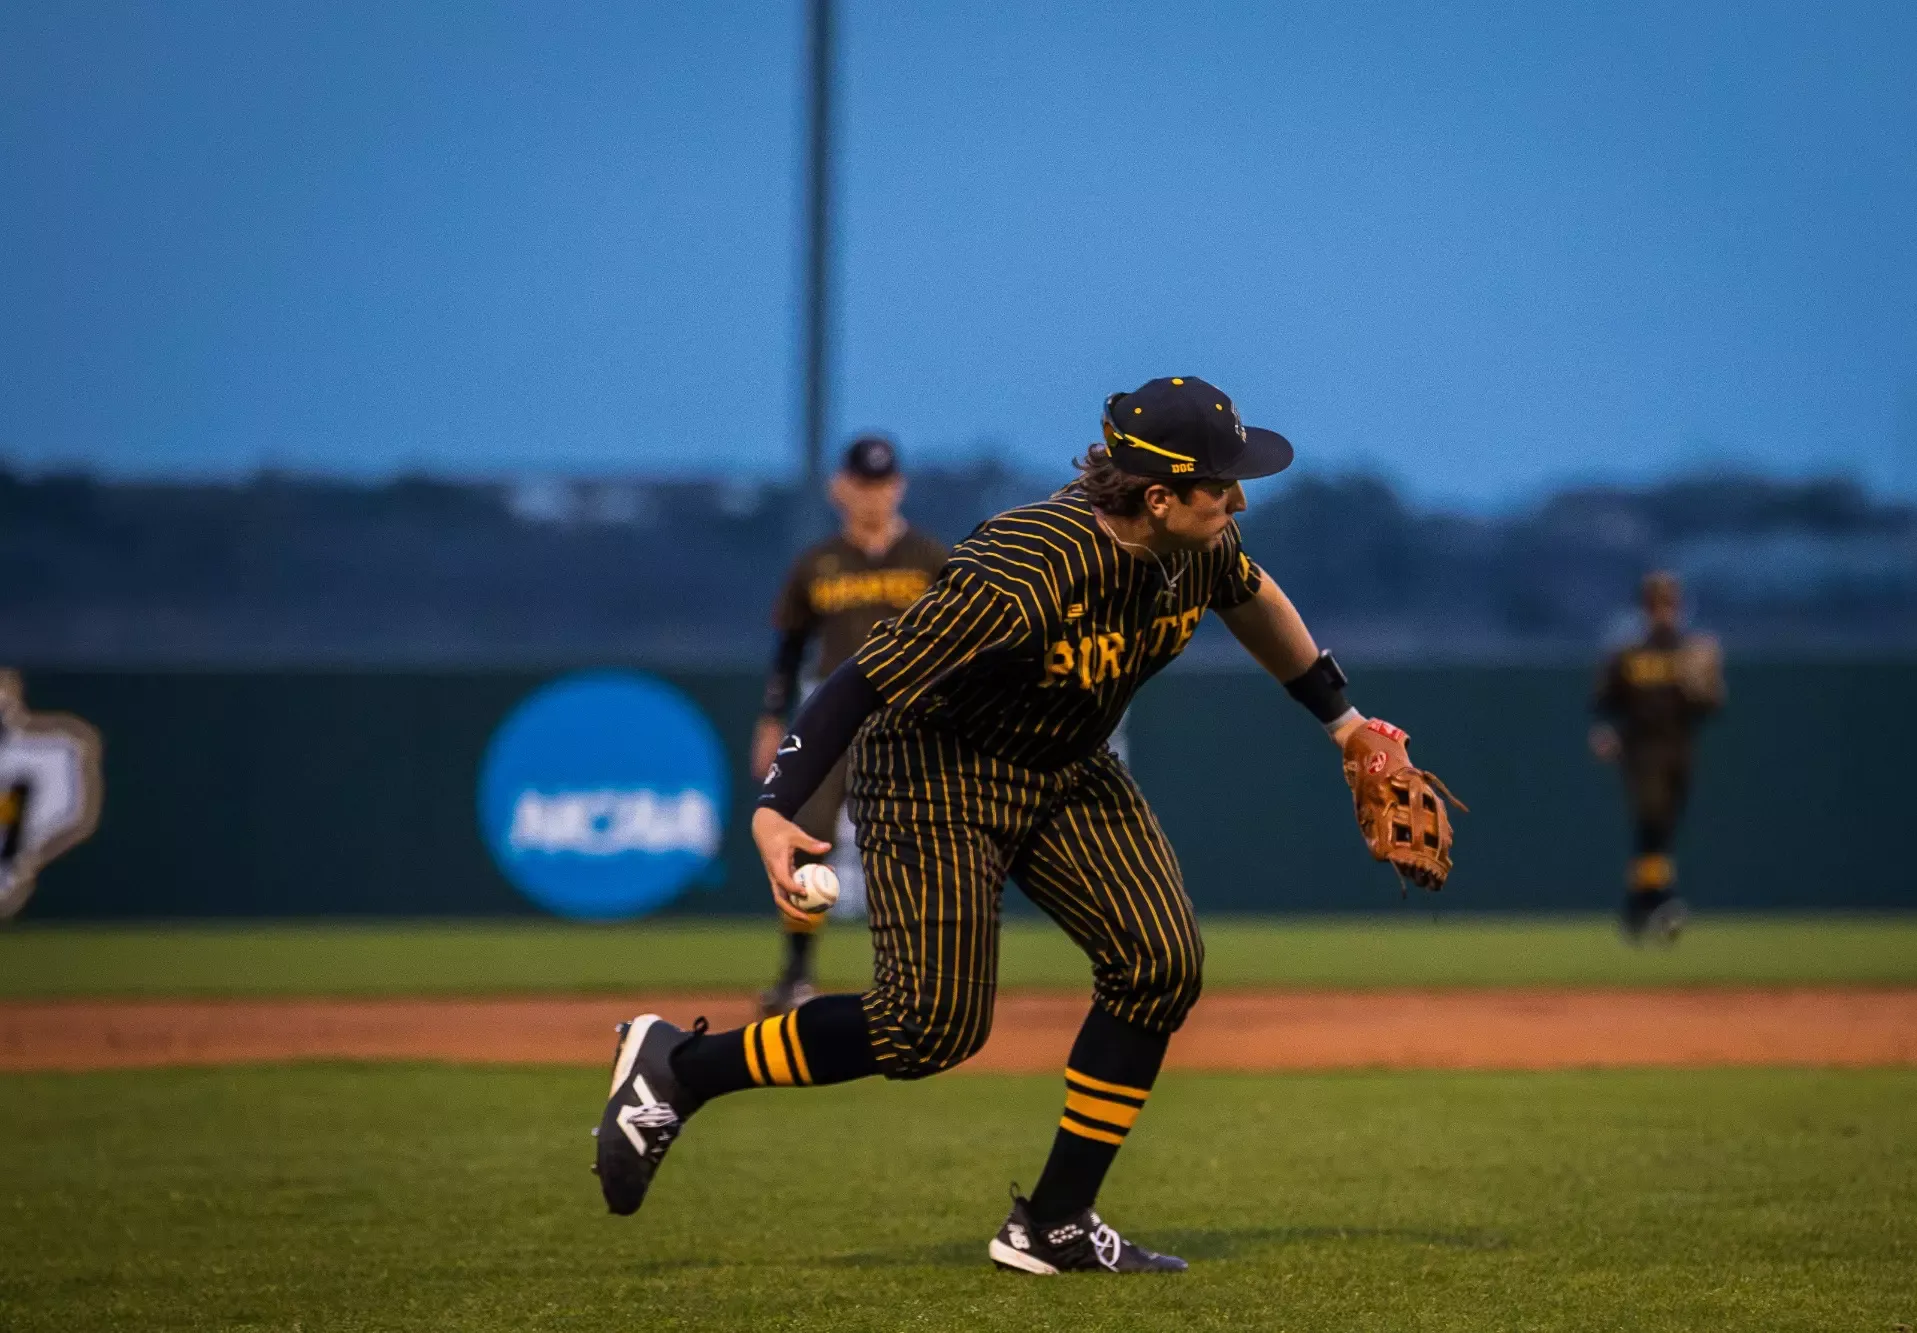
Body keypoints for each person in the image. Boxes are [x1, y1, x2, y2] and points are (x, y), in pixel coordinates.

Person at [592, 377, 1458, 1274]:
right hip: (937, 770)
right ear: (1157, 496)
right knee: (928, 1026)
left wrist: (1344, 721)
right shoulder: (1024, 569)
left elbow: (1253, 595)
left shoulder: (1199, 542)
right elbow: (856, 682)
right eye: (1220, 484)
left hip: (1063, 765)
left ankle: (1055, 1222)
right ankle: (681, 1067)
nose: (1237, 498)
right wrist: (776, 806)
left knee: (1159, 965)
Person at [749, 436, 948, 1015]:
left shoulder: (930, 558)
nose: (874, 496)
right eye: (864, 484)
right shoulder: (818, 563)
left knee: (922, 844)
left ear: (900, 487)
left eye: (884, 484)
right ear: (841, 488)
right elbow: (788, 649)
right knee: (808, 836)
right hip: (830, 715)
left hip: (910, 716)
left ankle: (923, 974)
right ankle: (796, 974)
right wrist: (770, 720)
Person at [1589, 571, 1725, 943]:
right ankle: (1663, 901)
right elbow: (1603, 702)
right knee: (1652, 823)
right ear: (1645, 607)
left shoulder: (1692, 652)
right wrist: (1604, 732)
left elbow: (1711, 704)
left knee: (1660, 830)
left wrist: (1703, 685)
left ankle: (1639, 907)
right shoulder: (1629, 654)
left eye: (1668, 603)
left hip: (1679, 748)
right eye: (1656, 603)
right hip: (1640, 750)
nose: (1662, 610)